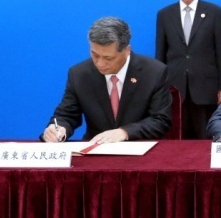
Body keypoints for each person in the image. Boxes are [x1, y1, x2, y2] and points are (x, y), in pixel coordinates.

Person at [42, 17, 172, 142]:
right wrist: (58, 128)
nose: (100, 63)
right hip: (95, 149)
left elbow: (161, 120)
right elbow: (67, 114)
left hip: (140, 148)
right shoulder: (79, 74)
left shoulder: (154, 72)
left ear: (127, 50)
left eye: (108, 58)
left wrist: (124, 132)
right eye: (95, 55)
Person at [155, 0, 221, 139]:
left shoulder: (214, 12)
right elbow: (160, 53)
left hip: (206, 86)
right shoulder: (165, 15)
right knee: (178, 139)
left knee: (205, 137)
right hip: (175, 87)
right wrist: (160, 87)